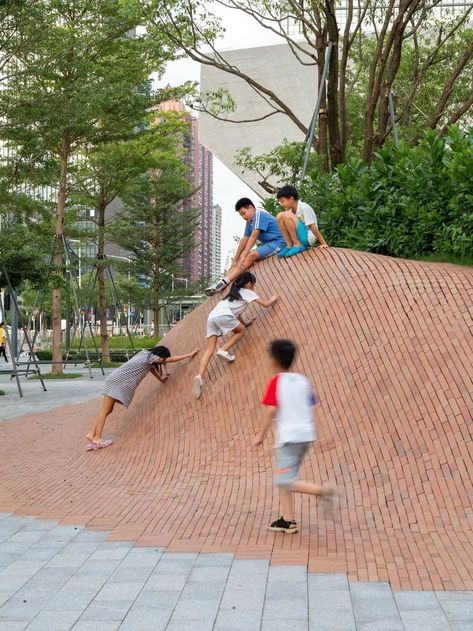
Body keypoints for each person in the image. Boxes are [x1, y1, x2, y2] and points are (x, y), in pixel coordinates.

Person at [253, 339, 335, 533]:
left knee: (284, 480)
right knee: (286, 474)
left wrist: (260, 436)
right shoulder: (302, 380)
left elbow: (271, 410)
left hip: (289, 439)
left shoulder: (276, 381)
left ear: (273, 360)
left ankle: (322, 491)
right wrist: (322, 434)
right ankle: (287, 520)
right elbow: (313, 408)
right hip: (306, 437)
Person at [86, 344, 199, 450]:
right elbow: (169, 360)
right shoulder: (151, 357)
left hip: (114, 379)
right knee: (105, 411)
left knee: (106, 410)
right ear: (160, 355)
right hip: (117, 382)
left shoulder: (145, 355)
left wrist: (161, 379)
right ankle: (97, 438)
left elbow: (151, 369)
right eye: (162, 359)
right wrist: (189, 354)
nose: (161, 362)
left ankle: (91, 434)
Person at [193, 272, 278, 399]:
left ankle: (199, 375)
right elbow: (265, 305)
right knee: (241, 331)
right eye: (253, 284)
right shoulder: (247, 292)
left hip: (212, 317)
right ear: (249, 283)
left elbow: (236, 312)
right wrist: (274, 298)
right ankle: (223, 350)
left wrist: (246, 322)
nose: (253, 287)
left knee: (209, 349)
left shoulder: (232, 294)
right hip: (223, 315)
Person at [204, 198, 286, 296]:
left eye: (244, 213)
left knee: (251, 255)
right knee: (240, 260)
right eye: (241, 215)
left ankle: (226, 281)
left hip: (280, 242)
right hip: (270, 244)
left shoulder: (259, 215)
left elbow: (253, 236)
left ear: (251, 208)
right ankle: (221, 282)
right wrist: (235, 260)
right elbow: (244, 240)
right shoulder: (249, 222)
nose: (243, 217)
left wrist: (243, 256)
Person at [275, 185, 329, 258]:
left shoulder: (304, 207)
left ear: (291, 198)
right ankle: (289, 245)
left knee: (286, 214)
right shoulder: (290, 211)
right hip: (300, 236)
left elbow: (312, 226)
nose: (281, 204)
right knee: (279, 216)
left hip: (307, 238)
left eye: (283, 201)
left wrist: (323, 243)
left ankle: (297, 244)